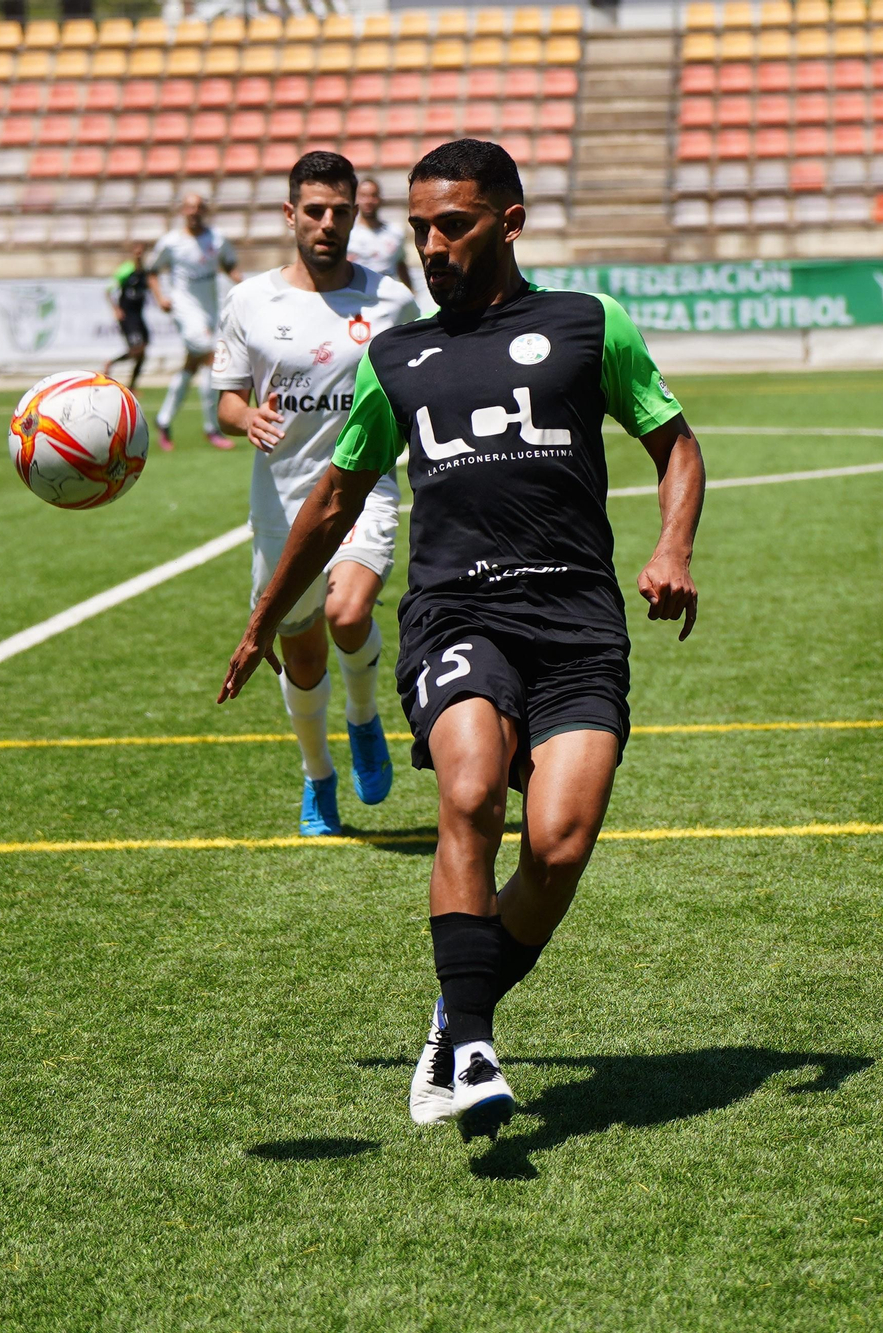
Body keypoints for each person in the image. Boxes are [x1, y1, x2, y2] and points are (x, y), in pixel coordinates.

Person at [218, 139, 706, 1141]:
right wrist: (263, 619)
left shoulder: (586, 325)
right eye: (419, 227)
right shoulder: (394, 357)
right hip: (456, 613)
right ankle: (478, 1044)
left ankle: (455, 1013)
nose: (430, 245)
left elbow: (675, 442)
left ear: (508, 222)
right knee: (471, 787)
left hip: (575, 622)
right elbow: (333, 501)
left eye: (453, 225)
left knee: (559, 845)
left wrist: (671, 545)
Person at [213, 151, 422, 837]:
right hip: (281, 503)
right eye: (315, 211)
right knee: (299, 652)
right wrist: (248, 419)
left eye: (341, 211)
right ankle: (317, 778)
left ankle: (364, 718)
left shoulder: (391, 300)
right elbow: (227, 404)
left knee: (349, 610)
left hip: (363, 488)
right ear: (291, 214)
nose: (328, 223)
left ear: (357, 213)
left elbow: (417, 390)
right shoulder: (249, 299)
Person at [147, 193, 242, 450]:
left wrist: (244, 285)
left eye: (199, 207)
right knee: (212, 357)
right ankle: (211, 427)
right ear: (182, 211)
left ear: (205, 211)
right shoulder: (171, 242)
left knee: (192, 365)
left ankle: (163, 420)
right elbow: (152, 271)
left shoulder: (217, 239)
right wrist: (161, 298)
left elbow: (229, 264)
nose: (194, 211)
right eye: (189, 207)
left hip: (210, 308)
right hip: (184, 307)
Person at [102, 238, 166, 400]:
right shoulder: (125, 270)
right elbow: (108, 290)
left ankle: (132, 386)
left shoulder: (145, 271)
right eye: (136, 250)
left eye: (141, 250)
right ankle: (112, 362)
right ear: (132, 252)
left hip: (139, 315)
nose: (138, 253)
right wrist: (116, 309)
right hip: (127, 315)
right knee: (138, 348)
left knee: (143, 352)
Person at [346, 178, 414, 289]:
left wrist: (411, 292)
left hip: (387, 295)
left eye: (373, 195)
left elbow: (401, 266)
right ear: (356, 199)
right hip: (357, 295)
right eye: (363, 196)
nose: (368, 201)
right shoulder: (348, 233)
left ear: (380, 199)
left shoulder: (394, 233)